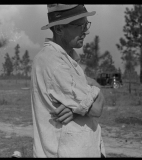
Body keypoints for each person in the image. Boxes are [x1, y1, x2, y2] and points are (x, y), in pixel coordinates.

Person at [31, 4, 106, 157]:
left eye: (86, 24)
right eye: (79, 26)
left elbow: (92, 104)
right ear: (58, 29)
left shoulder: (67, 59)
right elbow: (97, 109)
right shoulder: (55, 63)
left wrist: (75, 110)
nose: (86, 31)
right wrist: (93, 90)